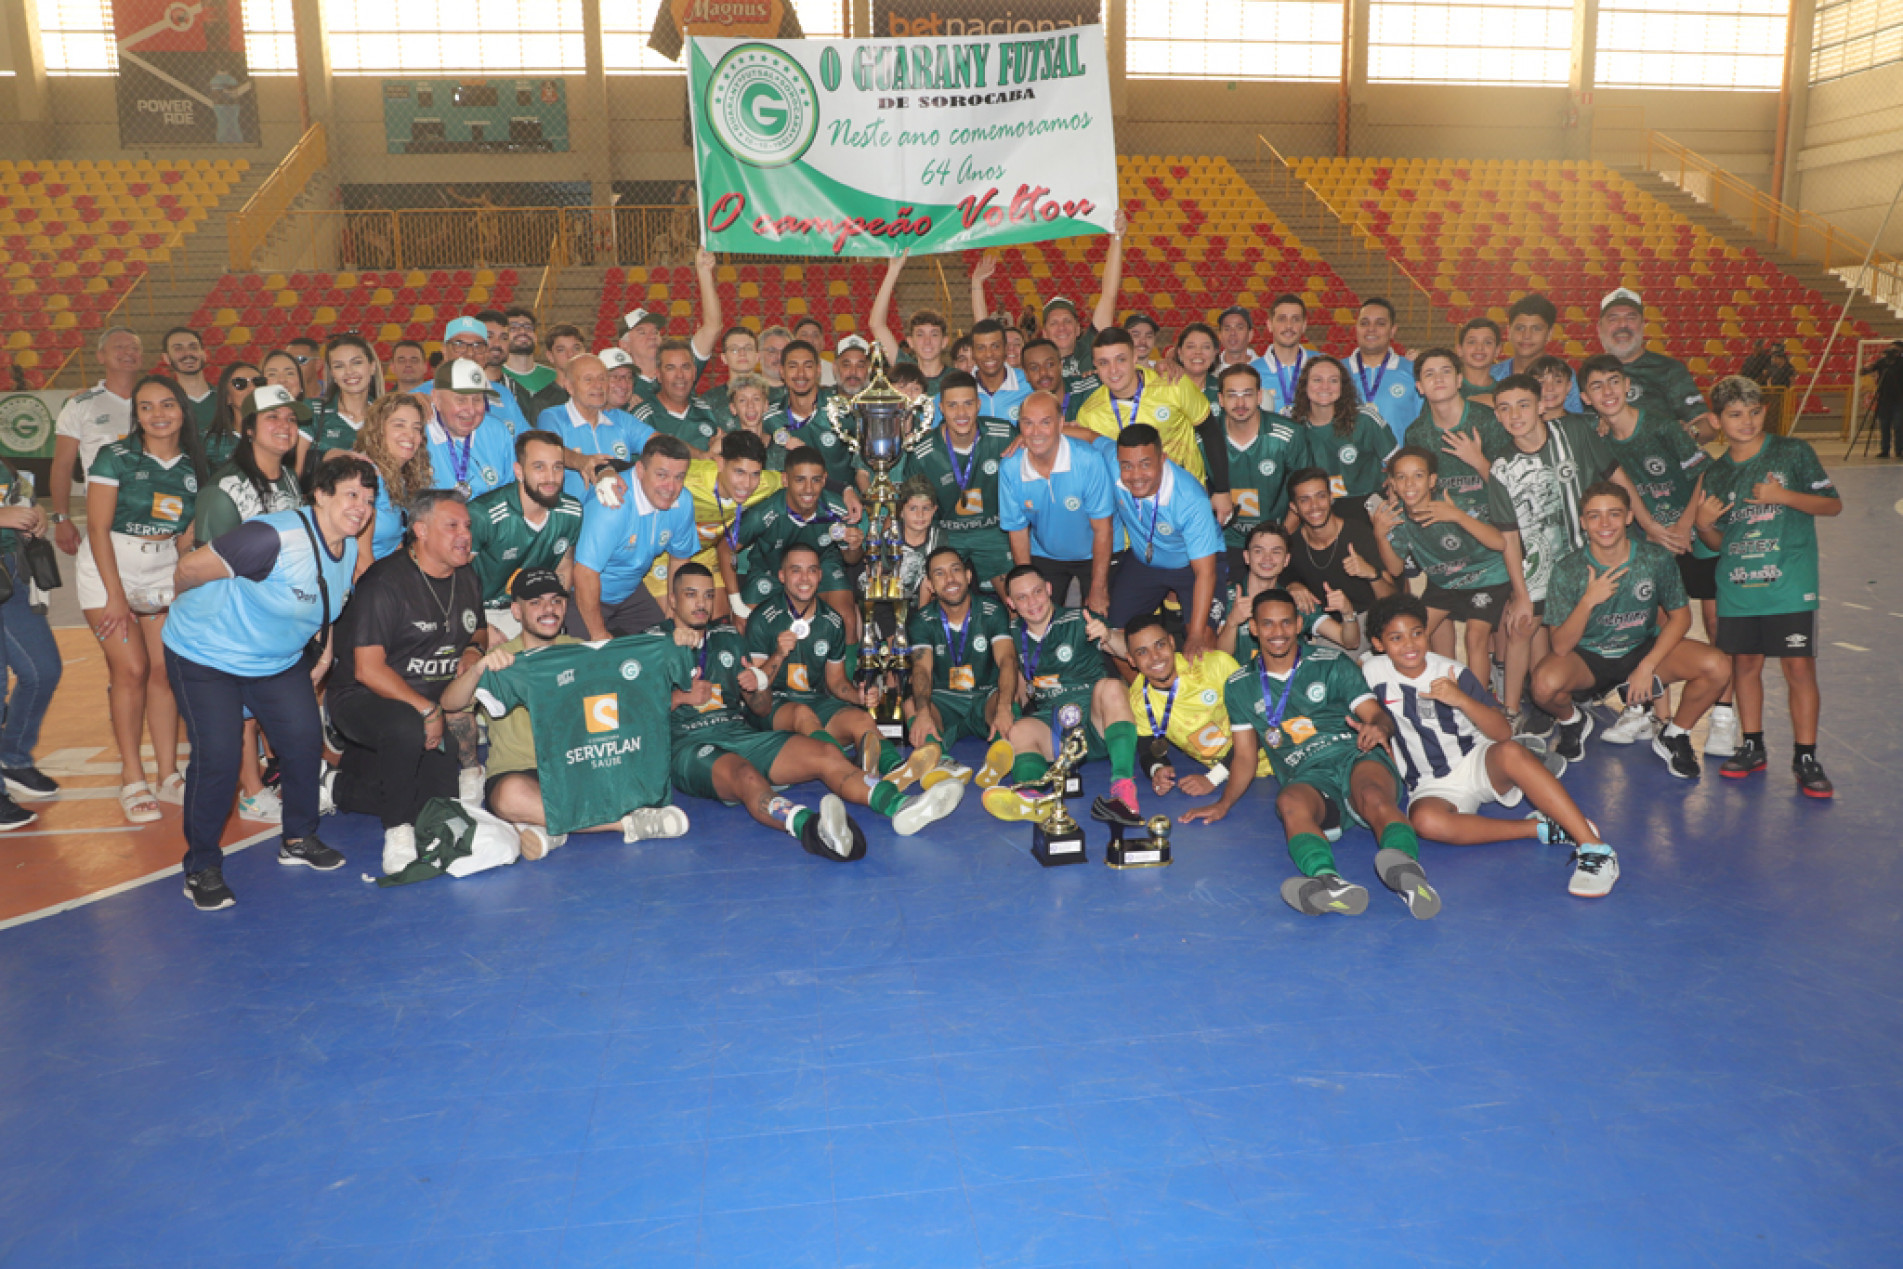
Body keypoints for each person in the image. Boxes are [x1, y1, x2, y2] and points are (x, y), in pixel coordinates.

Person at [163, 454, 376, 910]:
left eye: (369, 498)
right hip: (206, 656)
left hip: (275, 661)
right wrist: (194, 613)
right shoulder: (272, 535)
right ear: (320, 494)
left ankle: (298, 839)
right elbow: (188, 570)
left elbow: (327, 601)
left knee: (302, 743)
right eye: (351, 494)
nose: (361, 506)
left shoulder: (350, 547)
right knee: (218, 757)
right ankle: (201, 867)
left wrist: (327, 649)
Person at [662, 564, 962, 857]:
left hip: (739, 732)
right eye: (691, 595)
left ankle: (899, 805)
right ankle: (813, 828)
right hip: (690, 745)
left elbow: (759, 706)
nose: (702, 604)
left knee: (827, 754)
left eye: (708, 596)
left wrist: (757, 685)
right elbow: (634, 712)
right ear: (673, 600)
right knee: (746, 777)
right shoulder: (651, 644)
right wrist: (678, 698)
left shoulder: (727, 637)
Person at [1183, 589, 1441, 920]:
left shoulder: (1331, 663)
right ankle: (1328, 882)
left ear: (1299, 625)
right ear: (1254, 629)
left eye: (1286, 623)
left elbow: (1375, 714)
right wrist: (1224, 802)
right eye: (1268, 624)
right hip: (1306, 774)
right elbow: (1245, 757)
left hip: (1355, 755)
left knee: (1373, 794)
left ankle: (1410, 875)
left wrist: (1378, 727)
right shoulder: (1239, 685)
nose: (1278, 633)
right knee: (1289, 803)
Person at [1361, 594, 1618, 898]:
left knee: (1511, 751)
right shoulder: (1370, 672)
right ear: (1379, 644)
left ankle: (1595, 848)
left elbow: (1502, 732)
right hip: (1431, 783)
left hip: (1475, 760)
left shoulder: (1453, 673)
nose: (1410, 644)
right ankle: (1539, 827)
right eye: (1396, 638)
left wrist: (1460, 699)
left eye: (1417, 633)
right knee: (1424, 821)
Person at [437, 568, 690, 860]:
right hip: (520, 771)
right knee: (509, 796)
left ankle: (550, 826)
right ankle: (625, 824)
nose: (549, 609)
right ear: (517, 611)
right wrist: (479, 667)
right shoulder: (504, 659)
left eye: (556, 601)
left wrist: (676, 637)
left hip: (575, 767)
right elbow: (450, 704)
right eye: (536, 603)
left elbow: (634, 679)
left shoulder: (583, 651)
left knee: (626, 762)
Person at [1694, 375, 1842, 797]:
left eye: (1754, 412)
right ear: (1719, 420)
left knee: (1798, 666)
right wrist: (1704, 526)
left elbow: (1832, 504)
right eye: (1735, 414)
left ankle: (1806, 754)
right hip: (1740, 585)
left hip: (1789, 583)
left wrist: (1784, 496)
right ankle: (1753, 744)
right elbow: (1723, 543)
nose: (1747, 421)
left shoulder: (1793, 452)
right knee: (1745, 665)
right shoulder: (1718, 473)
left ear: (1765, 411)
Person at [327, 489, 487, 874]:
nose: (464, 534)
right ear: (421, 531)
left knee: (436, 804)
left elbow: (478, 631)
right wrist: (427, 709)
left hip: (425, 699)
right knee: (404, 728)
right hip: (363, 697)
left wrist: (472, 653)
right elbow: (367, 669)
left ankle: (336, 787)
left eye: (466, 525)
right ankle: (396, 833)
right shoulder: (386, 582)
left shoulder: (466, 576)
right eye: (451, 526)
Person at [1578, 352, 1730, 751]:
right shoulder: (1601, 441)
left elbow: (1704, 473)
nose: (1608, 391)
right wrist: (1651, 528)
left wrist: (1685, 522)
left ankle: (1725, 716)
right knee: (1656, 624)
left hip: (1694, 533)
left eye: (1614, 381)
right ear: (1586, 397)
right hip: (1653, 543)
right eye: (1597, 386)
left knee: (1716, 624)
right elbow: (1624, 488)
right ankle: (1652, 713)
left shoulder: (1661, 426)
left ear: (1627, 385)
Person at [1534, 482, 1731, 778]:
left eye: (1613, 514)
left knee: (1717, 666)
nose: (1604, 524)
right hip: (1589, 657)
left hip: (1642, 650)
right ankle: (1572, 721)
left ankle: (1675, 734)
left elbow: (1680, 618)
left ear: (1628, 517)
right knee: (1543, 686)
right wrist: (1588, 601)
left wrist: (1646, 666)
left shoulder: (1654, 558)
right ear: (1583, 522)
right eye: (1594, 516)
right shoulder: (1568, 569)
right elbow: (1560, 646)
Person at [80, 376, 204, 824]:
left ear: (182, 410)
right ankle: (132, 777)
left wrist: (186, 551)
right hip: (108, 569)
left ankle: (168, 774)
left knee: (164, 671)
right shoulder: (114, 457)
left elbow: (191, 529)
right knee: (129, 668)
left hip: (163, 571)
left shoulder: (196, 462)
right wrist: (116, 595)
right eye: (147, 407)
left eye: (167, 404)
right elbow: (96, 528)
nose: (158, 415)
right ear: (137, 415)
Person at [1487, 373, 1639, 730]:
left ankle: (1633, 701)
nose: (1515, 415)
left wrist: (1643, 523)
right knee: (1523, 626)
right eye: (1505, 409)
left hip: (1587, 555)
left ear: (1541, 406)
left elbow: (1615, 477)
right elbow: (1509, 538)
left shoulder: (1574, 434)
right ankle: (1513, 711)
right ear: (1497, 416)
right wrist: (1520, 594)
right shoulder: (1501, 469)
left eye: (1524, 405)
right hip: (1539, 563)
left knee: (1620, 621)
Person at [981, 565, 1144, 824]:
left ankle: (1123, 786)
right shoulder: (1011, 636)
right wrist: (1006, 714)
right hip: (1054, 730)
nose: (1032, 602)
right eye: (1022, 597)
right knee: (1020, 729)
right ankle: (1032, 795)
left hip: (1096, 722)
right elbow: (1018, 687)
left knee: (1112, 687)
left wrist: (1109, 636)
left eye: (1037, 592)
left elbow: (1132, 652)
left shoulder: (1082, 618)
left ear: (1048, 589)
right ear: (1010, 602)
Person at [745, 543, 909, 778]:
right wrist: (779, 654)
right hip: (774, 705)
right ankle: (845, 768)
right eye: (796, 570)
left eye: (812, 570)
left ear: (820, 575)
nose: (805, 578)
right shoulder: (762, 618)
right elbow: (756, 688)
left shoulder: (832, 621)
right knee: (802, 714)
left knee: (860, 719)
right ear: (782, 576)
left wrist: (857, 696)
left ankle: (898, 770)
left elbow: (836, 682)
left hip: (815, 701)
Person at [1369, 447, 1510, 687]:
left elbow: (1500, 542)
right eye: (1401, 477)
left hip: (1486, 576)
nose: (1409, 484)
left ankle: (1478, 703)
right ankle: (1429, 689)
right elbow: (1394, 569)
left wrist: (1458, 516)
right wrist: (1380, 535)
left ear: (1432, 480)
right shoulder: (1398, 518)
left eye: (1418, 476)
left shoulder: (1453, 503)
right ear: (1392, 483)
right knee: (1414, 632)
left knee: (1475, 636)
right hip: (1445, 583)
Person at [1105, 423, 1225, 660]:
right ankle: (1142, 696)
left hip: (1193, 564)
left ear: (1163, 459)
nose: (1136, 475)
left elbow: (1205, 573)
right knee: (1113, 638)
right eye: (1126, 466)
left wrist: (1197, 634)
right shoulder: (1111, 461)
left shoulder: (1190, 499)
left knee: (1203, 645)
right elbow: (1091, 437)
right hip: (1144, 560)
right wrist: (1029, 438)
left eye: (1145, 464)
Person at [721, 448, 865, 641]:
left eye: (815, 480)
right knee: (744, 624)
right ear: (786, 480)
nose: (808, 489)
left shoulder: (837, 509)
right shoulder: (765, 512)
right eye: (800, 480)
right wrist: (736, 604)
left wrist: (853, 546)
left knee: (846, 619)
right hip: (770, 568)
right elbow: (725, 547)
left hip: (821, 567)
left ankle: (841, 671)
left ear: (824, 480)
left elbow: (852, 559)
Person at [905, 545, 1019, 787]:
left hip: (984, 695)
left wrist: (1005, 707)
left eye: (955, 570)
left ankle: (998, 758)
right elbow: (921, 670)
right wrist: (923, 712)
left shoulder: (993, 611)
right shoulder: (921, 620)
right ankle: (942, 762)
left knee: (1008, 700)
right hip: (943, 699)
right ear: (930, 585)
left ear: (968, 576)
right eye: (939, 573)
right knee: (911, 707)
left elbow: (1007, 660)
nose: (950, 579)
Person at [894, 370, 1015, 597]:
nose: (961, 413)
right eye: (952, 405)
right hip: (946, 535)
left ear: (979, 405)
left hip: (994, 532)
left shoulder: (1004, 434)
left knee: (1014, 599)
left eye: (968, 404)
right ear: (941, 408)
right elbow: (910, 506)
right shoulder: (923, 453)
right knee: (942, 598)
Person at [1077, 327, 1229, 505]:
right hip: (1131, 510)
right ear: (1095, 365)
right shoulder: (1089, 414)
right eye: (1104, 363)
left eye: (1121, 360)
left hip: (1185, 499)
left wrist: (1222, 490)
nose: (1113, 370)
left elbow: (1210, 431)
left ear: (1135, 358)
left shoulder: (1173, 384)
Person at [573, 433, 700, 640]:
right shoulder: (613, 506)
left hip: (630, 592)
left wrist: (674, 613)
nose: (671, 488)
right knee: (596, 662)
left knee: (666, 647)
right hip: (584, 594)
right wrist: (599, 634)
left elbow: (680, 559)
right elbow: (584, 574)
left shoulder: (683, 501)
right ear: (640, 470)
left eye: (679, 477)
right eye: (662, 475)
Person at [1000, 391, 1114, 611]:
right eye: (1028, 423)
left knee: (1101, 622)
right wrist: (1027, 589)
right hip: (1046, 552)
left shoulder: (1089, 460)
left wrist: (1099, 587)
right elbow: (1018, 532)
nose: (1035, 432)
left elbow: (1103, 529)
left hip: (1095, 551)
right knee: (1039, 621)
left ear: (1061, 423)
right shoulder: (1010, 467)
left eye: (1045, 422)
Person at [1115, 613, 1244, 800]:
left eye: (1160, 645)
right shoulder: (1138, 698)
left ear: (1171, 642)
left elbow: (1259, 724)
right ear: (1131, 660)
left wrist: (1213, 778)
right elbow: (1147, 746)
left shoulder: (1215, 665)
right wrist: (1157, 770)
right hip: (1236, 776)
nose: (1155, 657)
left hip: (1276, 761)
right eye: (1142, 652)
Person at [467, 429, 583, 638]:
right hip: (482, 610)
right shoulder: (483, 515)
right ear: (519, 471)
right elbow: (452, 578)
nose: (551, 478)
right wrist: (479, 627)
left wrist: (554, 611)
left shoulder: (571, 512)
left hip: (533, 608)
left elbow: (564, 567)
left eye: (558, 467)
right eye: (539, 467)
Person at [0, 454, 62, 826]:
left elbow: (17, 500)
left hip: (12, 573)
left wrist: (34, 518)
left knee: (43, 670)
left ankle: (13, 756)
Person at [52, 326, 142, 559]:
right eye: (119, 347)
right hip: (104, 514)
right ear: (101, 356)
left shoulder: (159, 399)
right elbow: (62, 465)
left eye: (135, 348)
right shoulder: (81, 404)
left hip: (154, 509)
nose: (128, 352)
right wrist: (61, 517)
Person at [1219, 522, 1357, 664]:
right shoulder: (1224, 597)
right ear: (1247, 557)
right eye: (1259, 551)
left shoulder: (1296, 601)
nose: (1267, 558)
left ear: (1286, 560)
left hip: (1291, 683)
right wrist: (1232, 622)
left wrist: (1348, 613)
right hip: (1238, 683)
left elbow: (1350, 642)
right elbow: (1216, 658)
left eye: (1276, 552)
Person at [1286, 467, 1394, 648]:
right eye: (1304, 500)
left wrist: (1371, 573)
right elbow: (1281, 580)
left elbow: (1391, 599)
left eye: (1320, 496)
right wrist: (1292, 585)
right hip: (1330, 630)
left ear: (1331, 497)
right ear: (1294, 507)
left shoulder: (1358, 533)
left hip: (1372, 621)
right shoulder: (1293, 546)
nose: (1314, 506)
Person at [1402, 348, 1510, 527]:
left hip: (1492, 523)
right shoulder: (1415, 434)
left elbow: (1511, 489)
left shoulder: (1489, 421)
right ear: (1419, 387)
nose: (1438, 379)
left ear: (1459, 380)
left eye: (1445, 371)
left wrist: (1478, 461)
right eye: (1430, 374)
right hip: (1442, 526)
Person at [1216, 363, 1303, 580]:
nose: (1240, 403)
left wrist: (1280, 540)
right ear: (1220, 400)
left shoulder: (1289, 435)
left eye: (1247, 394)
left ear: (1259, 396)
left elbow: (1302, 493)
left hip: (1277, 541)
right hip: (1223, 542)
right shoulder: (1204, 439)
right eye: (1232, 395)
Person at [1596, 288, 1713, 441]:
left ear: (1642, 325)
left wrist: (1689, 432)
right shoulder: (1589, 375)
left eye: (1631, 317)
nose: (1622, 324)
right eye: (1613, 318)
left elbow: (1706, 425)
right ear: (1599, 329)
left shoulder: (1669, 370)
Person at [542, 352, 657, 501]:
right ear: (569, 386)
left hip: (621, 512)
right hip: (577, 517)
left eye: (602, 378)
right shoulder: (553, 417)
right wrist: (581, 461)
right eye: (588, 379)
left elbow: (660, 445)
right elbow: (549, 450)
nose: (598, 385)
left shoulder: (619, 419)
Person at [1286, 354, 1396, 509]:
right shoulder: (1293, 425)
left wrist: (1395, 480)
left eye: (1333, 380)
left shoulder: (1365, 420)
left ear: (1342, 386)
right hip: (1316, 507)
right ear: (1305, 385)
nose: (1325, 387)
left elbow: (1398, 462)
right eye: (1317, 380)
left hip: (1365, 502)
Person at [617, 248, 723, 403]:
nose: (652, 335)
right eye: (642, 332)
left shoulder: (681, 364)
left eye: (655, 331)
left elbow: (713, 327)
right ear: (624, 345)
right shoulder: (622, 385)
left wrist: (704, 273)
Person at [353, 392, 432, 564]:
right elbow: (360, 560)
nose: (410, 435)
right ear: (378, 430)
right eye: (399, 425)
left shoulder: (398, 478)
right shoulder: (367, 476)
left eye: (416, 428)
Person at [766, 340, 854, 490]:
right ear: (782, 371)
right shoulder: (770, 418)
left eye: (808, 366)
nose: (801, 374)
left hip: (842, 505)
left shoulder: (843, 411)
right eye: (793, 366)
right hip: (791, 508)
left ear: (818, 370)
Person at [425, 358, 517, 501]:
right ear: (436, 399)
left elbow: (510, 494)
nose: (471, 410)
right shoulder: (416, 432)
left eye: (477, 399)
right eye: (461, 400)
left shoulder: (497, 431)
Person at [632, 339, 727, 459]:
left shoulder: (707, 411)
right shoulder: (643, 417)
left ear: (694, 372)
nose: (680, 375)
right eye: (671, 368)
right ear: (659, 375)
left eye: (685, 367)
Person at [1344, 298, 1420, 446]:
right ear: (1356, 328)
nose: (1371, 329)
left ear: (1392, 330)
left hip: (1398, 465)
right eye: (1364, 323)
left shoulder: (1412, 371)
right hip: (1348, 464)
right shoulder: (1337, 372)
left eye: (1380, 323)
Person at [1492, 294, 1583, 412]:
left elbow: (1575, 421)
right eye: (1520, 328)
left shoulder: (1562, 375)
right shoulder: (1493, 374)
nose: (1526, 336)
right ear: (1509, 331)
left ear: (1549, 334)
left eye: (1536, 329)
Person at [308, 334, 384, 458]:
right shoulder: (313, 412)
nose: (349, 371)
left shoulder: (387, 416)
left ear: (372, 367)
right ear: (332, 374)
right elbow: (298, 472)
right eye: (339, 366)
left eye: (356, 363)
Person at [1252, 293, 1316, 415]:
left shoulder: (1321, 365)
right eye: (1282, 319)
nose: (1288, 326)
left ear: (1304, 325)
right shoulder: (1252, 371)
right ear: (1270, 325)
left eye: (1295, 319)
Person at [967, 319, 1032, 424]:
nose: (989, 354)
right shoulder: (960, 388)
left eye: (995, 346)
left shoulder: (1029, 383)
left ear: (1005, 349)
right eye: (981, 348)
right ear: (973, 353)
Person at [161, 326, 219, 429]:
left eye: (193, 347)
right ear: (166, 358)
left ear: (204, 354)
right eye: (178, 349)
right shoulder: (164, 404)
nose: (187, 353)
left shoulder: (225, 399)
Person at [499, 307, 556, 400]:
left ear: (536, 337)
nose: (523, 331)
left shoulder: (553, 377)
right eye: (513, 328)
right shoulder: (496, 376)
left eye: (528, 327)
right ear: (502, 338)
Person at [1455, 318, 1501, 405]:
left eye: (1488, 342)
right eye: (1472, 342)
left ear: (1497, 351)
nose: (1479, 347)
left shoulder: (1504, 392)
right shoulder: (1448, 388)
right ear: (1459, 350)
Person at [1216, 305, 1259, 370]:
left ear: (1250, 335)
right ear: (1220, 336)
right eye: (1227, 329)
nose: (1232, 333)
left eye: (1239, 328)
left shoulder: (1265, 370)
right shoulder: (1210, 371)